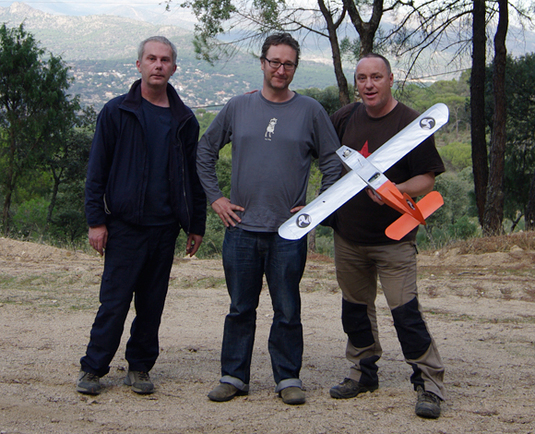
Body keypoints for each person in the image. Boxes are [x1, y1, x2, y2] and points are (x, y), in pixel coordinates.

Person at [197, 33, 341, 405]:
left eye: (288, 63)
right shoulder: (237, 107)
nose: (280, 69)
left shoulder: (311, 111)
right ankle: (233, 376)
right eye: (274, 62)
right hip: (240, 228)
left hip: (289, 233)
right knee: (240, 308)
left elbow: (332, 163)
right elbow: (205, 150)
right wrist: (216, 199)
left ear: (295, 67)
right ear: (262, 63)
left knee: (288, 308)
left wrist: (317, 208)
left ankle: (288, 377)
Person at [77, 36, 206, 395]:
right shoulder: (116, 112)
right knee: (114, 303)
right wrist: (96, 221)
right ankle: (93, 368)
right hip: (124, 226)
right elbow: (96, 172)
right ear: (139, 65)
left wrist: (196, 223)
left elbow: (192, 178)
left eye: (165, 60)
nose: (158, 65)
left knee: (151, 305)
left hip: (165, 228)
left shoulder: (184, 120)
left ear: (173, 68)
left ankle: (140, 367)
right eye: (151, 59)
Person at [328, 53, 446, 419]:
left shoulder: (411, 123)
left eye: (376, 77)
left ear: (390, 79)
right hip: (349, 236)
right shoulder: (346, 117)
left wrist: (398, 189)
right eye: (362, 78)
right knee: (354, 310)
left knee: (405, 312)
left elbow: (428, 177)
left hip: (394, 240)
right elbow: (311, 136)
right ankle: (362, 372)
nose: (369, 85)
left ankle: (429, 383)